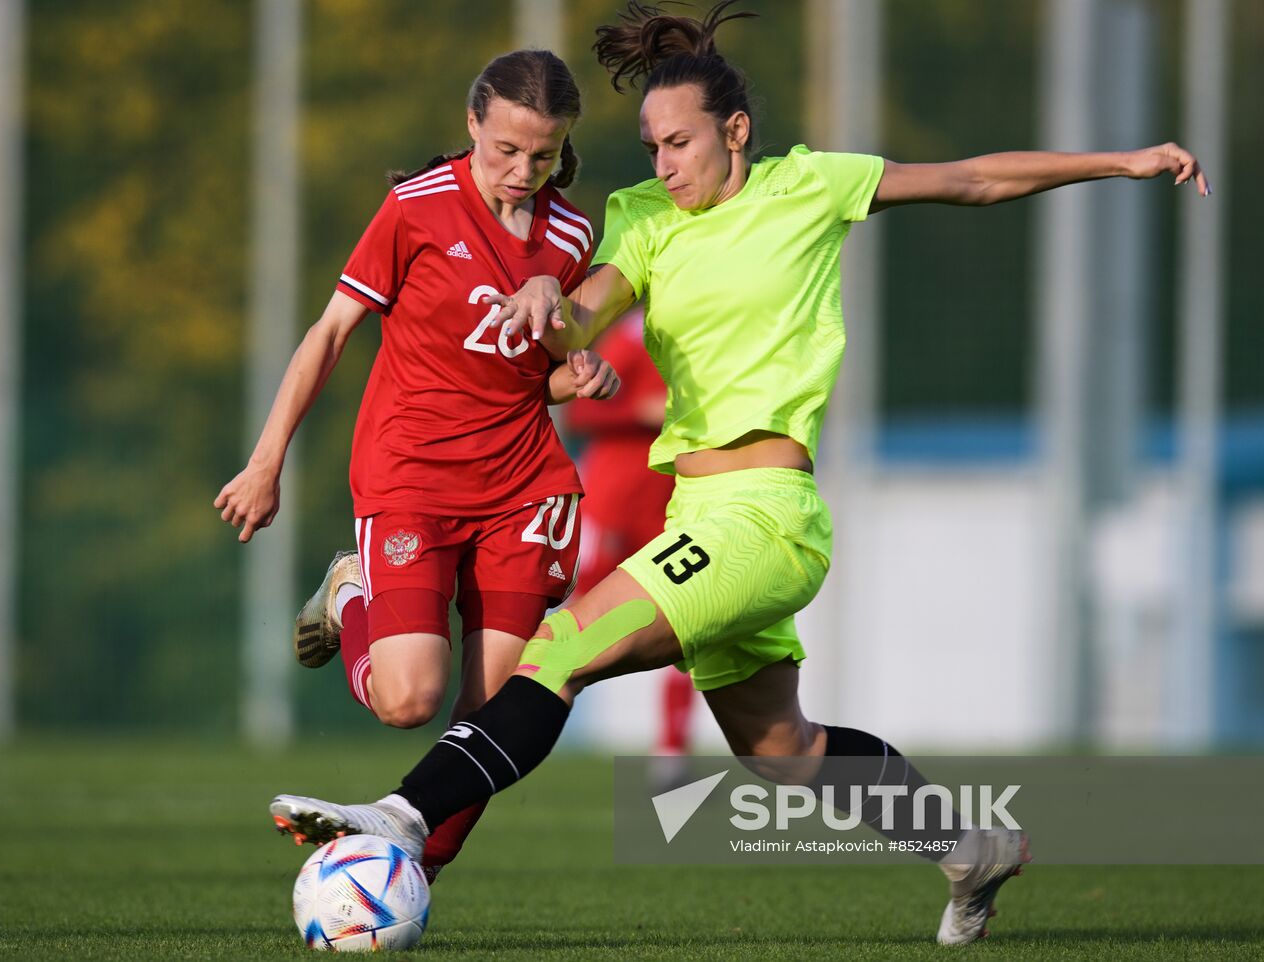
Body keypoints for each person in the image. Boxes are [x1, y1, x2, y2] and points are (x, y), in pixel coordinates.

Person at [265, 1, 1211, 945]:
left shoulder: (811, 188)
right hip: (700, 515)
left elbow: (967, 179)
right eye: (649, 146)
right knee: (782, 752)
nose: (663, 164)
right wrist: (557, 300)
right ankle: (969, 848)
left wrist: (1119, 163)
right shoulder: (640, 220)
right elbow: (580, 321)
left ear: (737, 131)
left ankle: (401, 818)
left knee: (560, 651)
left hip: (768, 517)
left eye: (679, 143)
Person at [216, 49, 619, 883]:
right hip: (411, 476)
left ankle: (409, 877)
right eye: (506, 149)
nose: (522, 170)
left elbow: (529, 373)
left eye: (542, 156)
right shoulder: (416, 208)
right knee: (408, 701)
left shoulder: (574, 235)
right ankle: (349, 588)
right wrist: (266, 462)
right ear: (474, 124)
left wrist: (574, 376)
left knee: (492, 714)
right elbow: (330, 334)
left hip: (522, 487)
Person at [561, 308, 697, 774]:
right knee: (577, 618)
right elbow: (581, 408)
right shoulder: (634, 334)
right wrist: (641, 407)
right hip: (615, 501)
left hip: (672, 506)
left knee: (687, 625)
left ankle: (672, 752)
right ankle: (508, 718)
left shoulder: (706, 337)